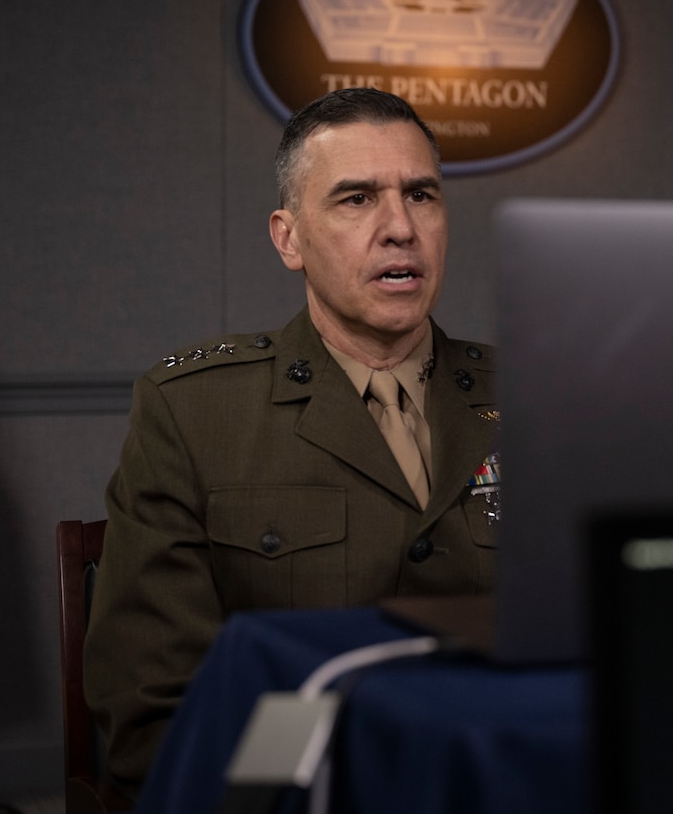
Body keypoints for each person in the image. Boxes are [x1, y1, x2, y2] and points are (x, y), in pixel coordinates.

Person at [83, 88, 501, 796]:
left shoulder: (531, 396)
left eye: (421, 195)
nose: (400, 227)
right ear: (289, 237)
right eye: (357, 199)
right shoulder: (195, 411)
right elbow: (157, 707)